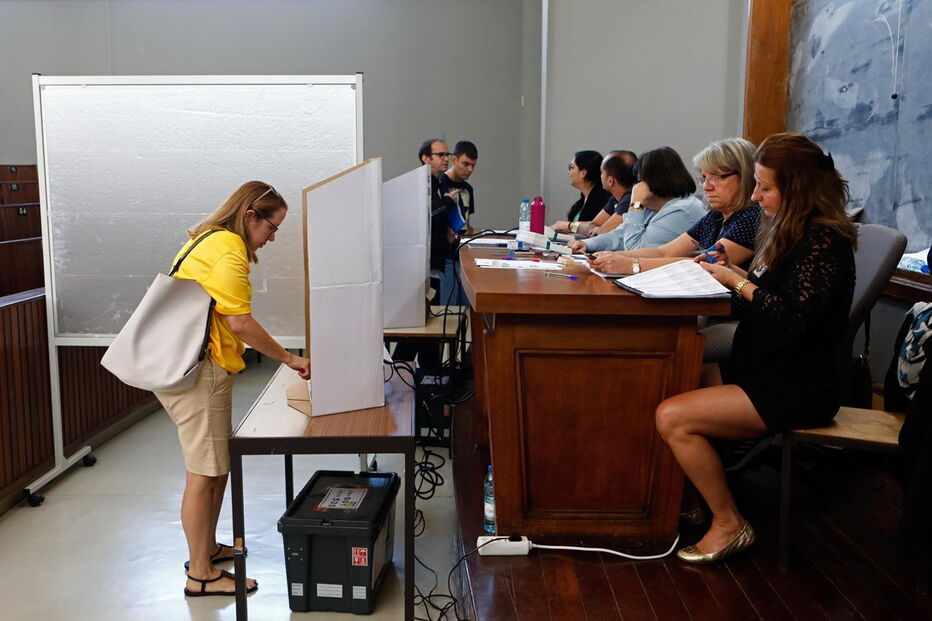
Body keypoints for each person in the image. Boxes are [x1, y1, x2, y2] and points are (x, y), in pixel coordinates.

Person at [654, 133, 857, 564]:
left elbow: (789, 317)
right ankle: (689, 499)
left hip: (796, 385)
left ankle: (729, 523)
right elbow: (771, 295)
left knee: (672, 416)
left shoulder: (824, 241)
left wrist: (737, 281)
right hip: (766, 367)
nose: (756, 195)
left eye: (765, 187)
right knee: (679, 374)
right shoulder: (790, 228)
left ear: (797, 188)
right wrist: (732, 272)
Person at [155, 181, 311, 596]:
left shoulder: (208, 239)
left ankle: (205, 547)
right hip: (198, 371)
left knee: (217, 464)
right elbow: (239, 322)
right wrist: (291, 358)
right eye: (271, 227)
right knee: (204, 472)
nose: (273, 237)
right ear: (249, 217)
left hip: (195, 364)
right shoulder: (227, 249)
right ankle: (200, 575)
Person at [581, 138, 760, 276]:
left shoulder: (750, 217)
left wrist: (631, 265)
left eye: (716, 176)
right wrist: (604, 256)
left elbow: (706, 266)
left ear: (744, 175)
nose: (706, 186)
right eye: (704, 177)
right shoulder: (715, 217)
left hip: (727, 316)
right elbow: (663, 251)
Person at [393, 138, 458, 372]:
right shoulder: (419, 186)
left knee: (430, 327)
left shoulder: (439, 184)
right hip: (419, 268)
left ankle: (430, 374)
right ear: (425, 158)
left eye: (447, 154)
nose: (445, 159)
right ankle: (402, 372)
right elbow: (424, 216)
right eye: (440, 154)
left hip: (435, 263)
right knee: (419, 328)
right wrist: (448, 204)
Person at [570, 146, 705, 254]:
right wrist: (587, 244)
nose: (636, 186)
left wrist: (635, 206)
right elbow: (619, 235)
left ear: (654, 180)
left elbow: (635, 251)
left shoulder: (681, 211)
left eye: (639, 179)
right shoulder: (655, 206)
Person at [574, 150, 637, 237]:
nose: (600, 176)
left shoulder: (631, 197)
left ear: (610, 180)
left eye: (602, 173)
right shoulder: (616, 197)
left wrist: (569, 226)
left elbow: (602, 232)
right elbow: (594, 224)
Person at [550, 150, 612, 233]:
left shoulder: (603, 199)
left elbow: (595, 226)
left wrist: (568, 226)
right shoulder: (580, 202)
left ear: (583, 173)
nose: (568, 172)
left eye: (571, 167)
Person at [440, 140, 478, 233]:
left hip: (463, 243)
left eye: (473, 165)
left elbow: (467, 225)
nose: (470, 169)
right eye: (466, 164)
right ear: (453, 160)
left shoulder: (468, 189)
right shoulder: (439, 184)